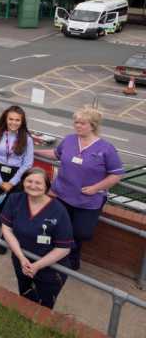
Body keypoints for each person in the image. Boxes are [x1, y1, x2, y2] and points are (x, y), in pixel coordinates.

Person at [36, 106, 123, 270]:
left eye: (82, 123)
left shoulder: (106, 148)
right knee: (59, 227)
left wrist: (96, 188)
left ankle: (71, 256)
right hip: (62, 195)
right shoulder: (69, 140)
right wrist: (35, 151)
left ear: (93, 125)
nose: (77, 126)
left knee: (81, 233)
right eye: (76, 122)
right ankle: (62, 259)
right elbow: (56, 154)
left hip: (88, 200)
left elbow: (116, 174)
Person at [1, 168, 74, 309]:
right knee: (25, 298)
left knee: (42, 307)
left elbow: (64, 248)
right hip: (22, 262)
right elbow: (6, 229)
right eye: (29, 181)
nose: (33, 186)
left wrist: (37, 266)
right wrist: (21, 258)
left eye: (38, 183)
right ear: (23, 182)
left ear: (46, 186)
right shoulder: (14, 199)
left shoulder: (59, 210)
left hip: (50, 270)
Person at [0, 105, 35, 254]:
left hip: (16, 177)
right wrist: (0, 181)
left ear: (22, 121)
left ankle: (5, 237)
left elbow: (27, 163)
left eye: (17, 120)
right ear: (5, 120)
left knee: (11, 210)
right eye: (11, 119)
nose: (14, 123)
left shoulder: (27, 139)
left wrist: (12, 182)